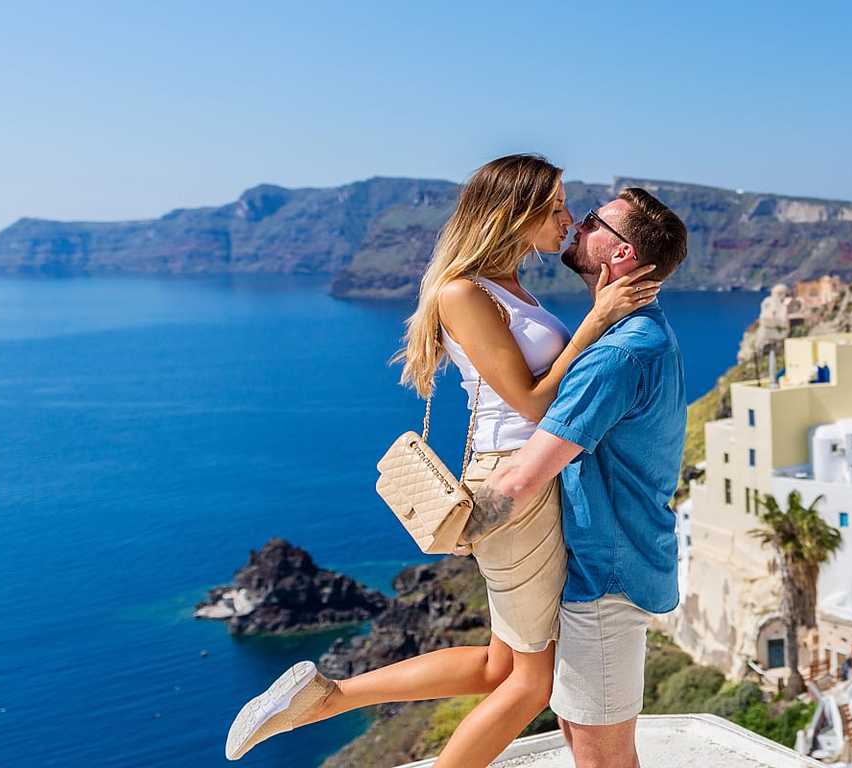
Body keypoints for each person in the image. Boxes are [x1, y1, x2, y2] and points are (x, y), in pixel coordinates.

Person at [225, 155, 662, 766]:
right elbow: (534, 403)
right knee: (530, 682)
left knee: (500, 663)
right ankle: (328, 699)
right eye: (557, 205)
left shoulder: (511, 287)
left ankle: (325, 697)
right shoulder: (464, 293)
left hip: (530, 476)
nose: (567, 218)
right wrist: (595, 322)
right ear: (515, 210)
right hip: (518, 479)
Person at [463, 185, 689, 768]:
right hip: (597, 564)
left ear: (621, 257)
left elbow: (525, 476)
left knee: (601, 759)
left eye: (593, 221)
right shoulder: (631, 334)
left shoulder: (621, 353)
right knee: (578, 734)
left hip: (606, 576)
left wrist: (456, 532)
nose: (575, 225)